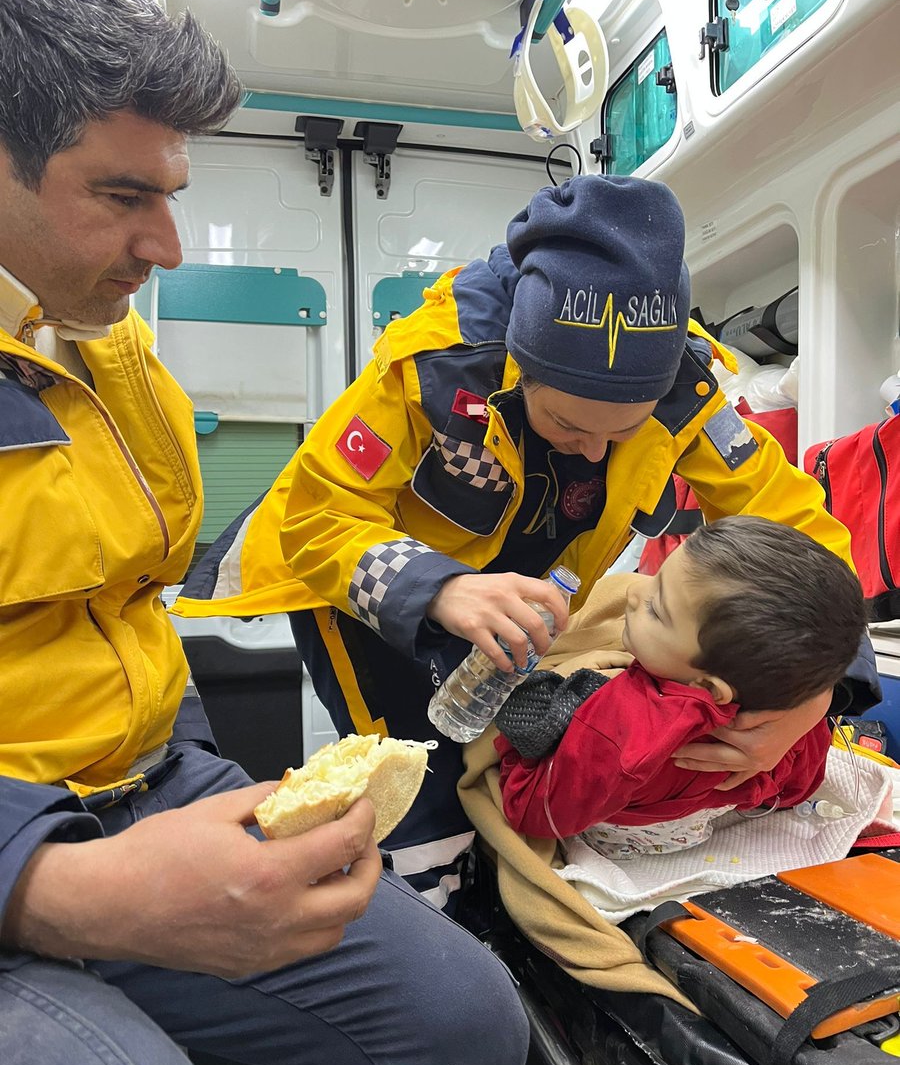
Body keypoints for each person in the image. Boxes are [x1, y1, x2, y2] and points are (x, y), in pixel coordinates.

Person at [0, 0, 529, 1065]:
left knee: (465, 1029)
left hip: (143, 784)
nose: (167, 246)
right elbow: (315, 522)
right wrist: (54, 887)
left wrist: (194, 771)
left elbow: (129, 601)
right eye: (123, 194)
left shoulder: (102, 345)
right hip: (19, 838)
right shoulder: (421, 377)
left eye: (172, 193)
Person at [175, 172, 879, 906]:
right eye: (569, 425)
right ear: (520, 365)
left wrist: (819, 692)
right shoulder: (434, 365)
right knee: (422, 779)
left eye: (626, 431)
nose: (596, 452)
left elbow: (802, 535)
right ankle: (436, 914)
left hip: (521, 590)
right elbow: (316, 520)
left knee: (501, 759)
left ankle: (500, 898)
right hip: (371, 587)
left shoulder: (685, 386)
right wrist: (441, 589)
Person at [497, 516, 867, 856]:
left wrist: (522, 738)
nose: (633, 594)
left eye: (656, 610)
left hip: (630, 843)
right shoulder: (788, 713)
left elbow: (533, 812)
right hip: (716, 814)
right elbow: (803, 782)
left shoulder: (621, 721)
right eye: (655, 579)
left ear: (707, 684)